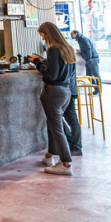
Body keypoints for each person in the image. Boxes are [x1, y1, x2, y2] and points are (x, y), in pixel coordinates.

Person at [30, 22, 77, 176]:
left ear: (48, 33)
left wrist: (37, 62)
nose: (42, 38)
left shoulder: (53, 49)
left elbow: (51, 75)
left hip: (54, 93)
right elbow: (64, 72)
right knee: (52, 124)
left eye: (42, 34)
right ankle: (50, 157)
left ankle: (65, 163)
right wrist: (44, 62)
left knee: (57, 128)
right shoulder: (68, 48)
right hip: (66, 92)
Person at [70, 30, 101, 95]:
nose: (71, 36)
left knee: (96, 76)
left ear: (76, 34)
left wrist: (89, 59)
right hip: (89, 60)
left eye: (72, 34)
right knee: (89, 75)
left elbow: (88, 48)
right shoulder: (80, 39)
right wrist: (81, 51)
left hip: (92, 59)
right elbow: (86, 48)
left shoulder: (83, 39)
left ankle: (98, 91)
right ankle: (96, 90)